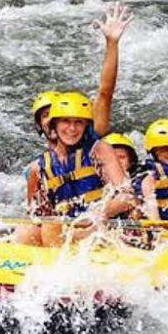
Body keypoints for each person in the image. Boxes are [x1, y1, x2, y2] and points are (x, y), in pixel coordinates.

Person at [36, 92, 134, 246]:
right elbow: (37, 213)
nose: (72, 128)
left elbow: (127, 198)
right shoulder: (39, 166)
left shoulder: (99, 150)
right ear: (54, 124)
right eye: (65, 121)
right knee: (28, 230)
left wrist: (98, 215)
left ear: (86, 126)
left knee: (50, 228)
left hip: (101, 228)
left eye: (79, 122)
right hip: (65, 232)